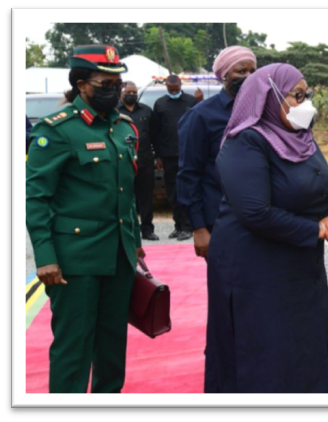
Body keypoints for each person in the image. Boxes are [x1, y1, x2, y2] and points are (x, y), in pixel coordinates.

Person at [206, 63, 328, 393]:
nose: (306, 104)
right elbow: (254, 212)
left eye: (307, 95)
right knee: (267, 354)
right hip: (255, 269)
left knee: (305, 344)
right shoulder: (245, 143)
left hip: (297, 264)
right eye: (297, 96)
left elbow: (317, 186)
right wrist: (314, 229)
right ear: (268, 98)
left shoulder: (300, 136)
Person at [26, 45, 145, 393]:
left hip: (118, 258)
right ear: (82, 85)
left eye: (118, 83)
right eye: (105, 83)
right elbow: (36, 198)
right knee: (73, 350)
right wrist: (45, 257)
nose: (115, 89)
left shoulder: (124, 128)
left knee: (112, 350)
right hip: (74, 261)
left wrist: (135, 243)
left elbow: (125, 194)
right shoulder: (58, 130)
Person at [176, 46, 257, 393]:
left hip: (259, 223)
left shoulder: (264, 111)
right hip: (220, 226)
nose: (247, 77)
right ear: (223, 75)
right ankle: (224, 381)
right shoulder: (202, 116)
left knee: (257, 300)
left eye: (252, 70)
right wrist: (198, 227)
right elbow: (188, 174)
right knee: (226, 304)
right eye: (239, 71)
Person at [152, 74, 195, 241]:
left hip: (189, 154)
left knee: (187, 190)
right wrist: (158, 156)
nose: (174, 91)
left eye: (176, 89)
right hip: (168, 155)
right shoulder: (160, 103)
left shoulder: (191, 101)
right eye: (170, 89)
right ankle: (178, 225)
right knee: (173, 192)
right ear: (166, 87)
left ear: (180, 85)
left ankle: (188, 226)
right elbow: (156, 131)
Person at [118, 81, 158, 241]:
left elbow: (155, 134)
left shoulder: (146, 111)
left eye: (135, 92)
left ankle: (147, 229)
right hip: (122, 162)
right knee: (125, 197)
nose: (132, 94)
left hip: (144, 160)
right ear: (121, 93)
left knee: (146, 197)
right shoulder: (114, 111)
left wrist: (158, 156)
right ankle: (127, 230)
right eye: (129, 92)